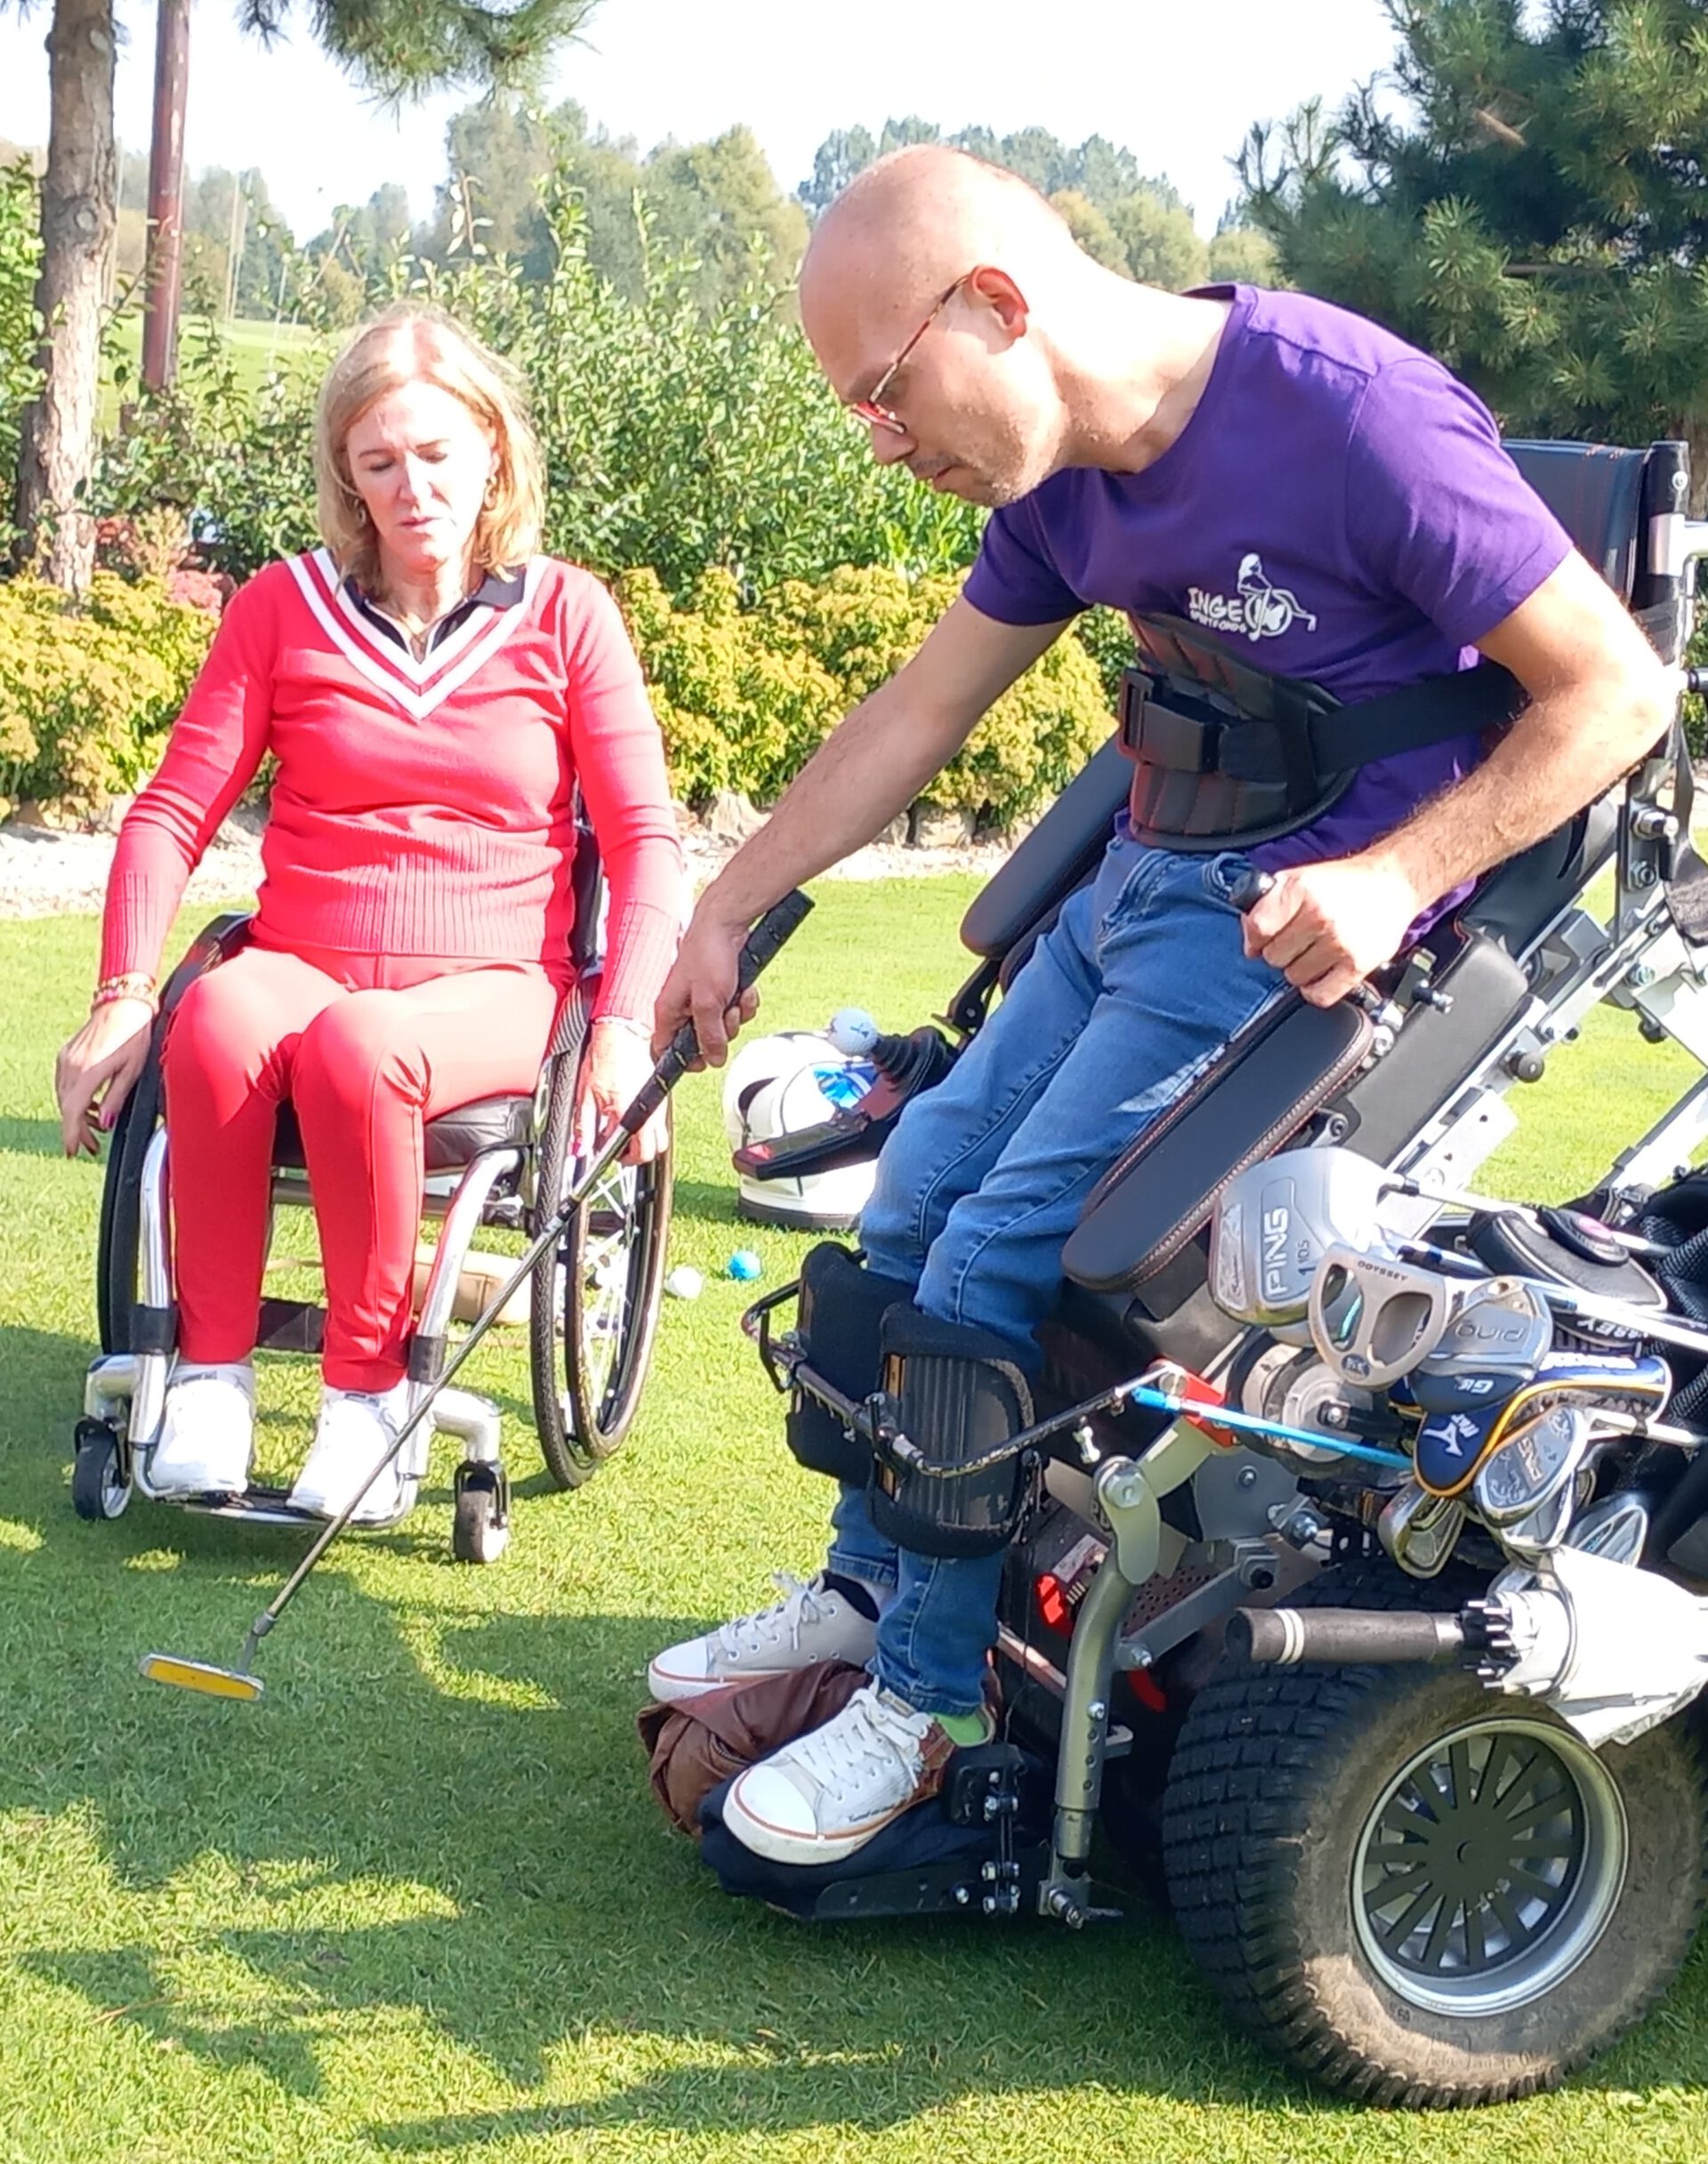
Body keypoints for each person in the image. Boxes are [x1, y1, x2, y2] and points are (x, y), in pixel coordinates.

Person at [645, 146, 1675, 1869]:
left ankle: (926, 1706)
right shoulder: (1053, 489)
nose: (882, 442)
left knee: (987, 1271)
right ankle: (865, 1591)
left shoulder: (1351, 419)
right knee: (905, 1210)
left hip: (1289, 933)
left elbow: (1619, 690)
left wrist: (1396, 872)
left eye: (885, 394)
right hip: (1139, 877)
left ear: (998, 304)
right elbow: (917, 714)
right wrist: (726, 905)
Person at [55, 303, 682, 1519]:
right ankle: (213, 1381)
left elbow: (648, 839)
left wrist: (621, 1032)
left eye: (438, 455)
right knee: (226, 1016)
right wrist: (125, 994)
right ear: (346, 472)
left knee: (365, 1045)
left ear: (492, 451)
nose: (413, 488)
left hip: (495, 987)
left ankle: (365, 1399)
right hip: (306, 951)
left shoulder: (566, 616)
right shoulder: (281, 611)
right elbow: (171, 812)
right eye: (380, 461)